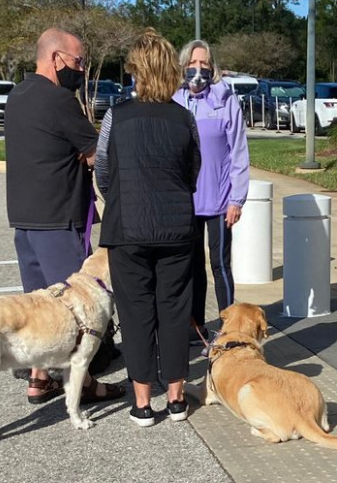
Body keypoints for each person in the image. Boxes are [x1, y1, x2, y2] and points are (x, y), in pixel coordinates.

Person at [4, 28, 123, 404]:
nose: (82, 70)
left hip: (25, 221)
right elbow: (94, 153)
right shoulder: (59, 101)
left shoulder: (16, 96)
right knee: (73, 307)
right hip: (60, 219)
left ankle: (40, 378)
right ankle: (84, 383)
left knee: (41, 303)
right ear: (56, 59)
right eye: (78, 62)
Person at [96, 29, 201, 427]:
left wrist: (122, 197)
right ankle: (176, 397)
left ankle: (142, 402)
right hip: (176, 227)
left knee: (136, 312)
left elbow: (104, 172)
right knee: (174, 310)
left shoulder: (116, 116)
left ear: (136, 71)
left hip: (128, 228)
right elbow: (193, 171)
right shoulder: (184, 118)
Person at [173, 40, 249, 349]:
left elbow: (238, 152)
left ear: (213, 67)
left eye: (205, 64)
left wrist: (237, 199)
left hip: (219, 201)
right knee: (191, 266)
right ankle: (196, 325)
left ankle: (229, 328)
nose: (199, 69)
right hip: (185, 201)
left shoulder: (225, 100)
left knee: (219, 264)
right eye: (194, 63)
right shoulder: (174, 100)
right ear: (183, 65)